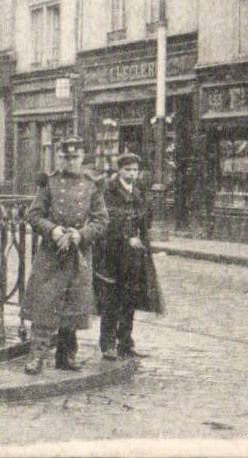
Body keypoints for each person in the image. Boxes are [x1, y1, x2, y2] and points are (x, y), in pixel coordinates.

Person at [21, 133, 107, 374]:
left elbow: (102, 220)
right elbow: (34, 215)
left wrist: (81, 234)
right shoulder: (49, 183)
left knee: (72, 304)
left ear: (82, 158)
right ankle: (36, 356)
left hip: (78, 254)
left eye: (75, 157)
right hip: (52, 254)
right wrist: (53, 230)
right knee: (45, 304)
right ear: (60, 158)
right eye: (66, 158)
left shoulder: (91, 184)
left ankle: (66, 356)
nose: (70, 162)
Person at [94, 151, 164, 360]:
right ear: (119, 170)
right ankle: (107, 344)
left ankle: (125, 342)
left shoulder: (138, 190)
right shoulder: (109, 190)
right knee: (112, 299)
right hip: (113, 253)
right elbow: (107, 220)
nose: (132, 174)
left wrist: (141, 233)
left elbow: (145, 217)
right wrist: (126, 237)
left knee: (130, 298)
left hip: (135, 254)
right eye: (128, 170)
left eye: (135, 170)